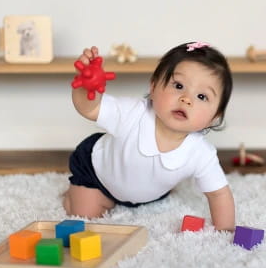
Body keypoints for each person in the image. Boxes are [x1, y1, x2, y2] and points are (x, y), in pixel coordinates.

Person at [63, 42, 235, 231]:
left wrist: (225, 232)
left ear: (215, 117)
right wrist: (87, 87)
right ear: (153, 87)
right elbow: (91, 108)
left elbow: (219, 194)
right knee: (85, 215)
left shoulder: (201, 153)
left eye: (202, 97)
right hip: (97, 173)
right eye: (178, 85)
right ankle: (73, 195)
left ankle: (142, 193)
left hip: (150, 191)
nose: (186, 99)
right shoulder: (132, 113)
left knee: (151, 185)